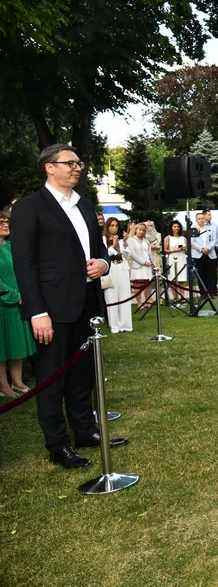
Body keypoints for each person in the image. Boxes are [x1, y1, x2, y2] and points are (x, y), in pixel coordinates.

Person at [11, 144, 128, 469]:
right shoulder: (30, 207)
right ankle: (58, 445)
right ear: (50, 167)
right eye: (70, 163)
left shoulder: (85, 205)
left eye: (79, 163)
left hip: (87, 306)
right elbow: (25, 264)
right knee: (52, 379)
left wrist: (103, 264)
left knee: (83, 374)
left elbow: (99, 249)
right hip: (51, 310)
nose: (78, 168)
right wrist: (37, 312)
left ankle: (85, 431)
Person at [0, 210, 35, 397]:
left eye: (6, 221)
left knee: (17, 345)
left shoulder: (12, 246)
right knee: (3, 347)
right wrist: (14, 296)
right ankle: (4, 386)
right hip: (3, 303)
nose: (5, 225)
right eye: (1, 222)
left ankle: (18, 382)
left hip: (19, 302)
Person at [102, 217, 132, 332]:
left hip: (122, 266)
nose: (114, 228)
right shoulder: (103, 239)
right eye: (112, 225)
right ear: (108, 226)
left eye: (116, 226)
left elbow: (126, 254)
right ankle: (114, 325)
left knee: (125, 295)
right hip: (111, 268)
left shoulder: (119, 239)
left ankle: (125, 324)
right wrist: (113, 247)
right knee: (112, 296)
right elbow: (105, 254)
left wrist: (123, 242)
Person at [126, 222, 154, 308]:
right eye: (139, 230)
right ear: (136, 230)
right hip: (138, 265)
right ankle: (139, 302)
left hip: (148, 265)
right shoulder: (130, 240)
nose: (141, 232)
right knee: (137, 285)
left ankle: (147, 301)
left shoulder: (146, 240)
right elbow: (133, 254)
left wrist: (151, 262)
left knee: (147, 284)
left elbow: (154, 239)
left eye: (143, 230)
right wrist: (143, 262)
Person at [189, 212, 217, 297]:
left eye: (202, 218)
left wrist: (208, 248)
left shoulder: (210, 229)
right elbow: (191, 241)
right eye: (199, 219)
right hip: (198, 254)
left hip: (210, 253)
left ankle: (212, 292)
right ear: (196, 220)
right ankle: (203, 293)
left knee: (211, 273)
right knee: (201, 274)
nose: (201, 220)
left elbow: (214, 239)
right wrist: (201, 249)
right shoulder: (193, 230)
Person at [163, 221, 188, 304]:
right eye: (174, 226)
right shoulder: (168, 238)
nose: (176, 228)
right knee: (173, 280)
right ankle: (175, 297)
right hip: (172, 258)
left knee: (181, 280)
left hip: (181, 258)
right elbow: (164, 250)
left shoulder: (183, 238)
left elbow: (187, 250)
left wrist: (184, 249)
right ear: (171, 228)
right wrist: (174, 250)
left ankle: (183, 298)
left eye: (178, 226)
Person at [202, 210, 218, 298]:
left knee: (213, 272)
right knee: (204, 271)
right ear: (204, 216)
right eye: (209, 215)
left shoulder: (214, 225)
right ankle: (205, 292)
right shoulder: (201, 226)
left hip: (213, 250)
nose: (210, 216)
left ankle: (213, 291)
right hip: (202, 251)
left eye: (210, 215)